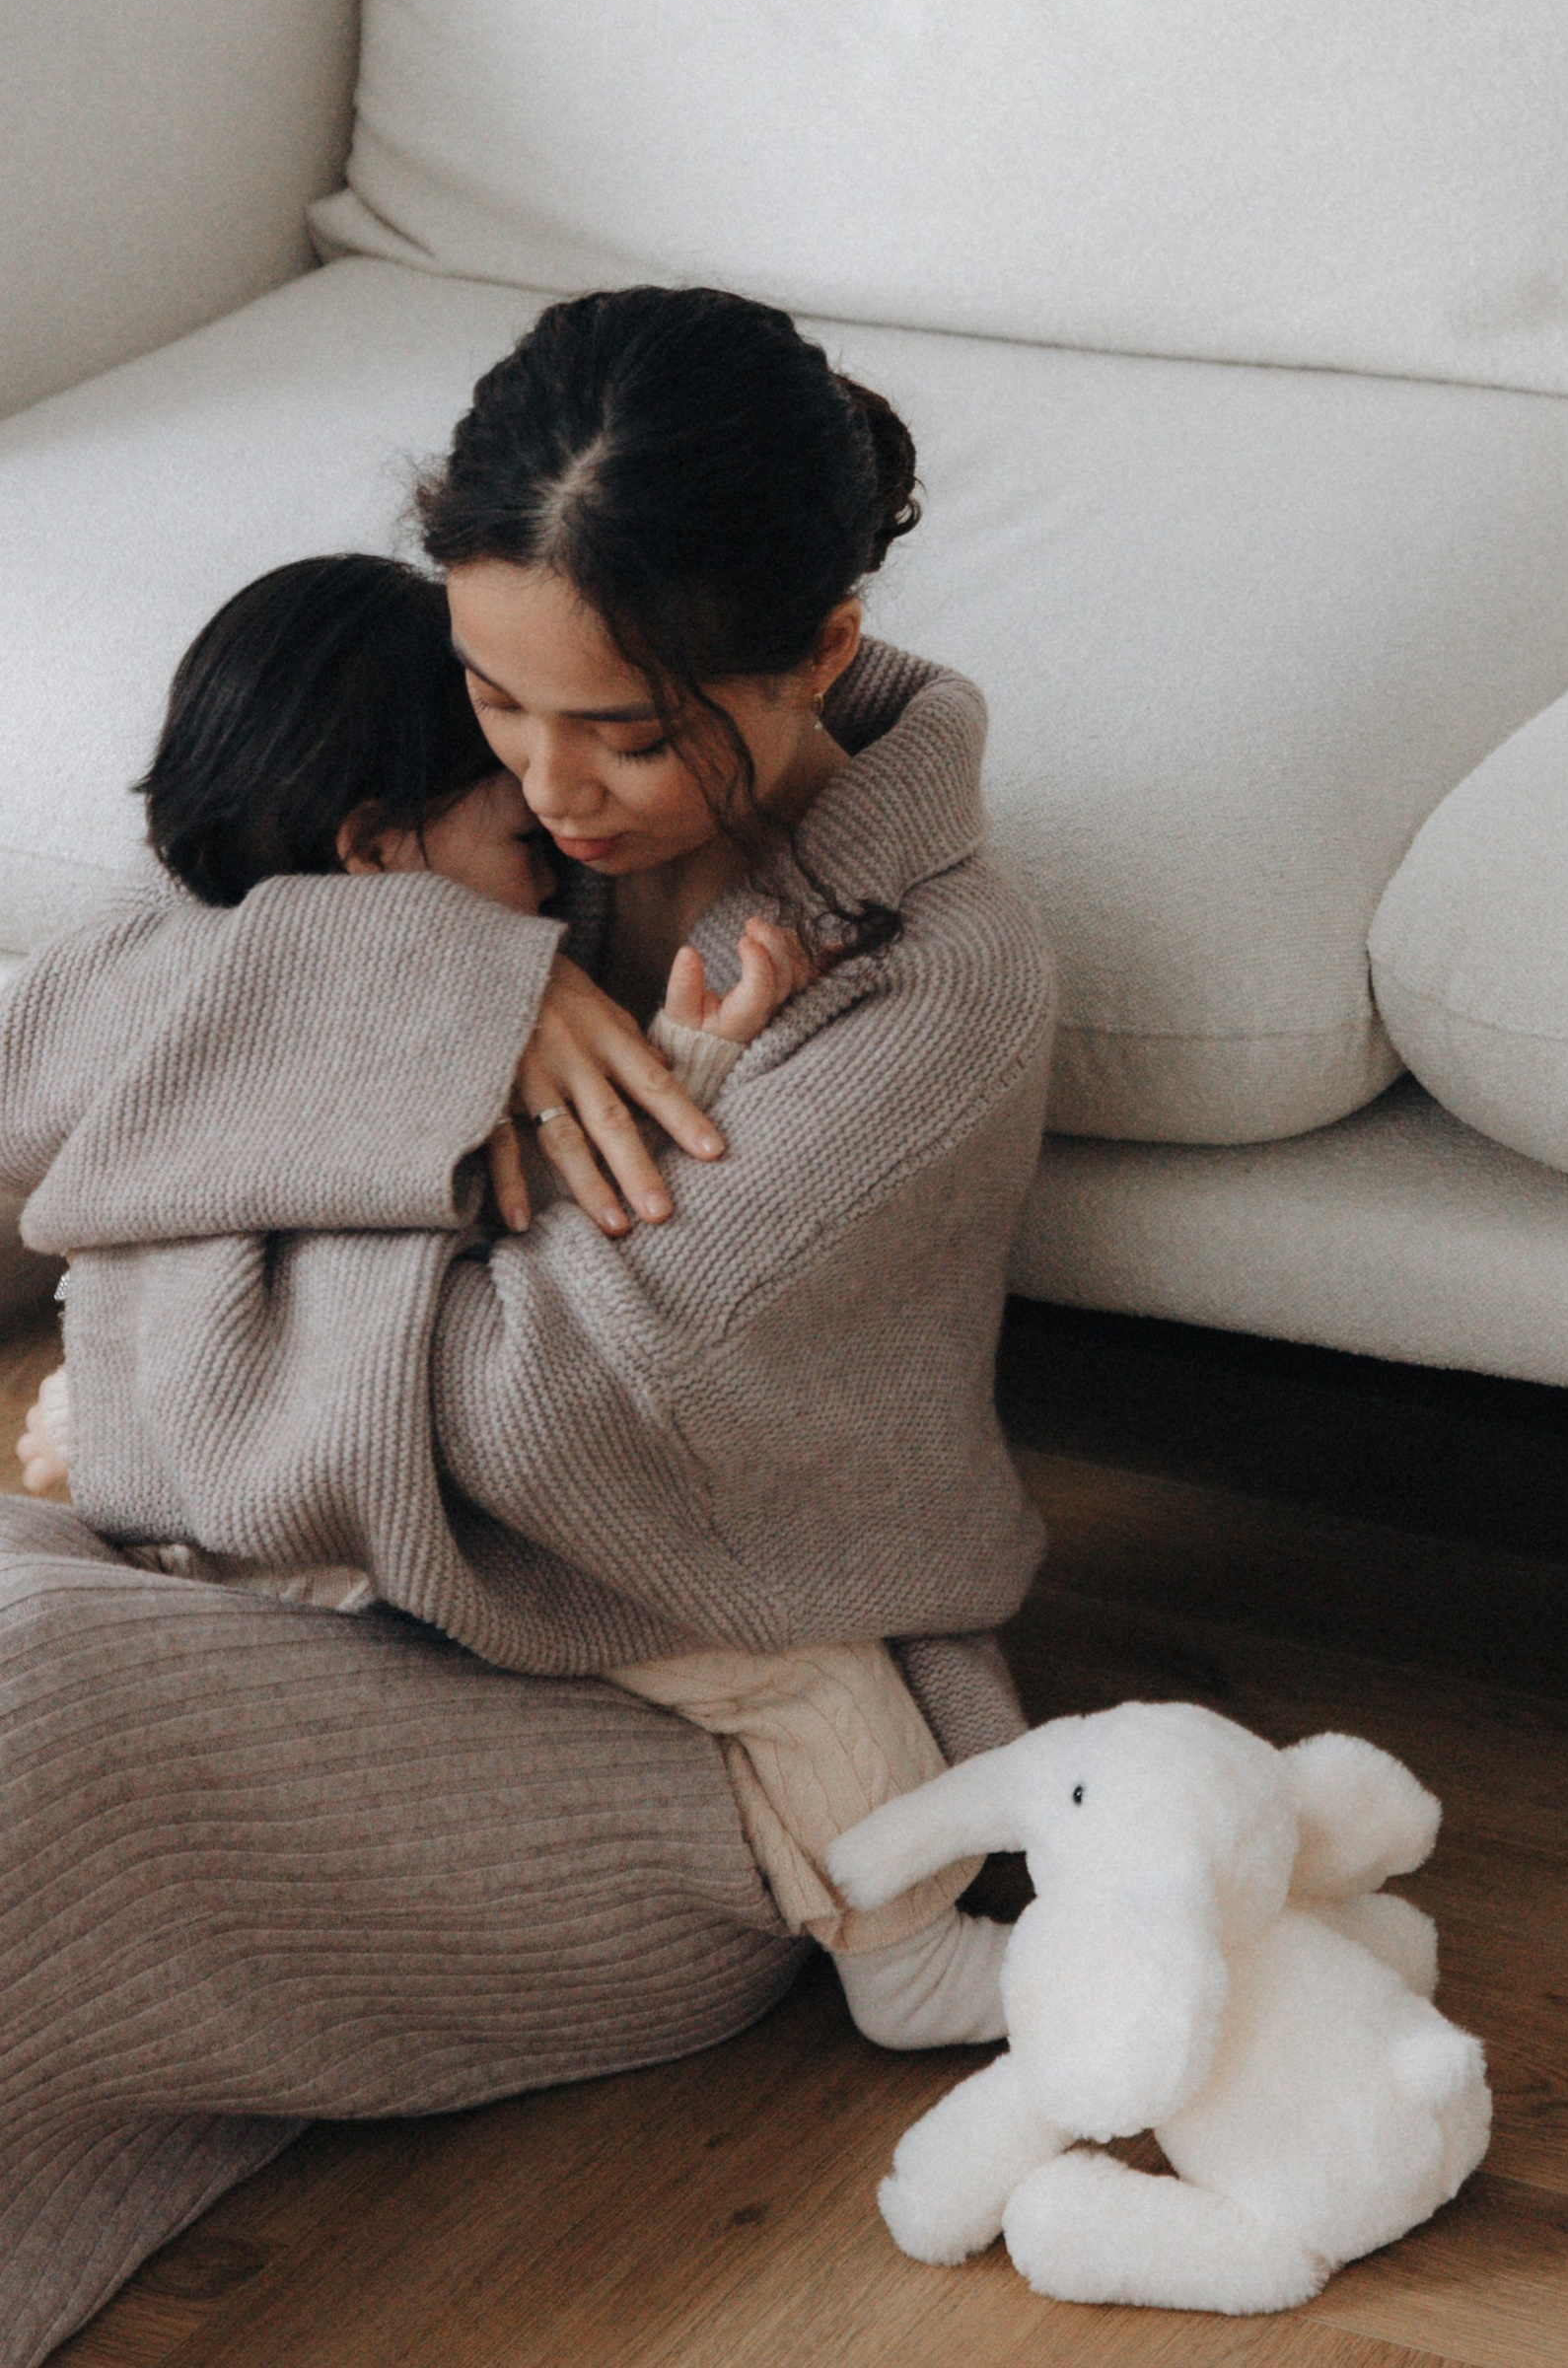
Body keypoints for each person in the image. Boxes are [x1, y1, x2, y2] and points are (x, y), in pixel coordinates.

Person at [0, 288, 1056, 2363]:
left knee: (24, 1711)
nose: (553, 790)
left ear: (817, 655)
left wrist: (133, 1354)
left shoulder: (925, 994)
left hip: (658, 1727)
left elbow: (552, 1416)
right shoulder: (433, 811)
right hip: (270, 1581)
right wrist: (432, 981)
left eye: (631, 733)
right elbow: (45, 1056)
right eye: (498, 702)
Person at [17, 547, 1008, 2049]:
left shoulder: (931, 973)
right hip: (310, 1498)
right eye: (504, 755)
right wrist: (489, 986)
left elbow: (562, 1278)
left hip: (195, 1480)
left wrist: (132, 1386)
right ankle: (912, 1957)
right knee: (810, 1671)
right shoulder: (411, 977)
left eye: (621, 736)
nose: (551, 835)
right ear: (374, 853)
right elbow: (550, 1219)